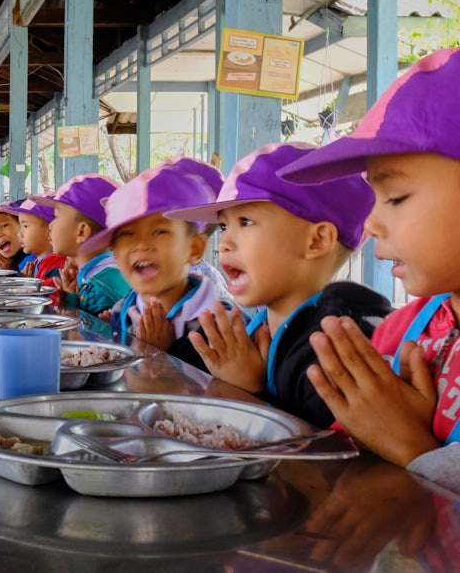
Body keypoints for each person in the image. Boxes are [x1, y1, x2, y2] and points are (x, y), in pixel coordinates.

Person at [277, 47, 460, 492]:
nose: (372, 223)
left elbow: (393, 443)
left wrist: (410, 446)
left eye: (394, 197)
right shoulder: (403, 333)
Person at [166, 143, 393, 428]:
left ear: (316, 241)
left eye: (245, 221)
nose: (224, 243)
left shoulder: (335, 348)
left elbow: (328, 461)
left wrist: (248, 390)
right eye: (224, 226)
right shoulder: (260, 327)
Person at [83, 159, 230, 369]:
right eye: (127, 233)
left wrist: (159, 354)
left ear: (194, 249)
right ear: (113, 251)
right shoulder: (122, 311)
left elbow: (220, 396)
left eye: (159, 231)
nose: (141, 245)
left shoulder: (220, 324)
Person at [30, 174, 128, 317]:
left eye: (56, 216)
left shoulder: (99, 289)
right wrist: (70, 298)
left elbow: (81, 334)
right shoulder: (99, 274)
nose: (50, 225)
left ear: (82, 231)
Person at [14, 196, 66, 289]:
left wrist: (28, 286)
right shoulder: (37, 261)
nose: (19, 234)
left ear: (50, 231)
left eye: (25, 226)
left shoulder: (54, 264)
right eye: (20, 226)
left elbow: (51, 300)